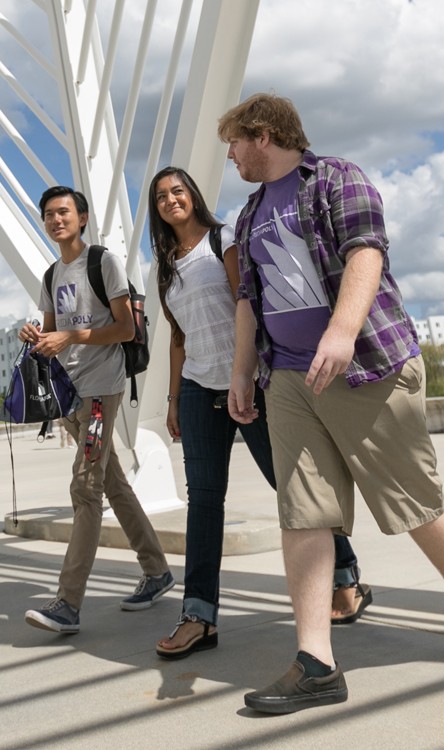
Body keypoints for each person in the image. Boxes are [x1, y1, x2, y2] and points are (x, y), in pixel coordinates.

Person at [219, 94, 444, 714]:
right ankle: (316, 662)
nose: (231, 155)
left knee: (413, 501)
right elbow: (247, 297)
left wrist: (342, 331)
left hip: (366, 367)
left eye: (234, 143)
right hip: (288, 380)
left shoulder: (335, 178)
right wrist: (242, 373)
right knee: (304, 512)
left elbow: (365, 250)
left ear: (261, 134)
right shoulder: (245, 216)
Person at [143, 166, 372, 660]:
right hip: (200, 389)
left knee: (292, 488)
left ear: (193, 195)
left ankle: (345, 573)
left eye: (177, 190)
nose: (170, 200)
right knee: (204, 502)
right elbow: (179, 337)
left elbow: (249, 303)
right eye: (161, 196)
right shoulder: (160, 265)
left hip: (251, 385)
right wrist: (172, 399)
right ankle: (198, 615)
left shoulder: (222, 239)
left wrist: (253, 375)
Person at [18, 185, 173, 634]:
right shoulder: (51, 276)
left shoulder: (102, 262)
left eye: (63, 212)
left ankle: (68, 603)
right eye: (48, 214)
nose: (55, 220)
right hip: (71, 394)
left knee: (86, 488)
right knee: (112, 482)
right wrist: (38, 336)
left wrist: (72, 336)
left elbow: (124, 329)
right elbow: (52, 334)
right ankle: (157, 570)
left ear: (82, 218)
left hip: (103, 390)